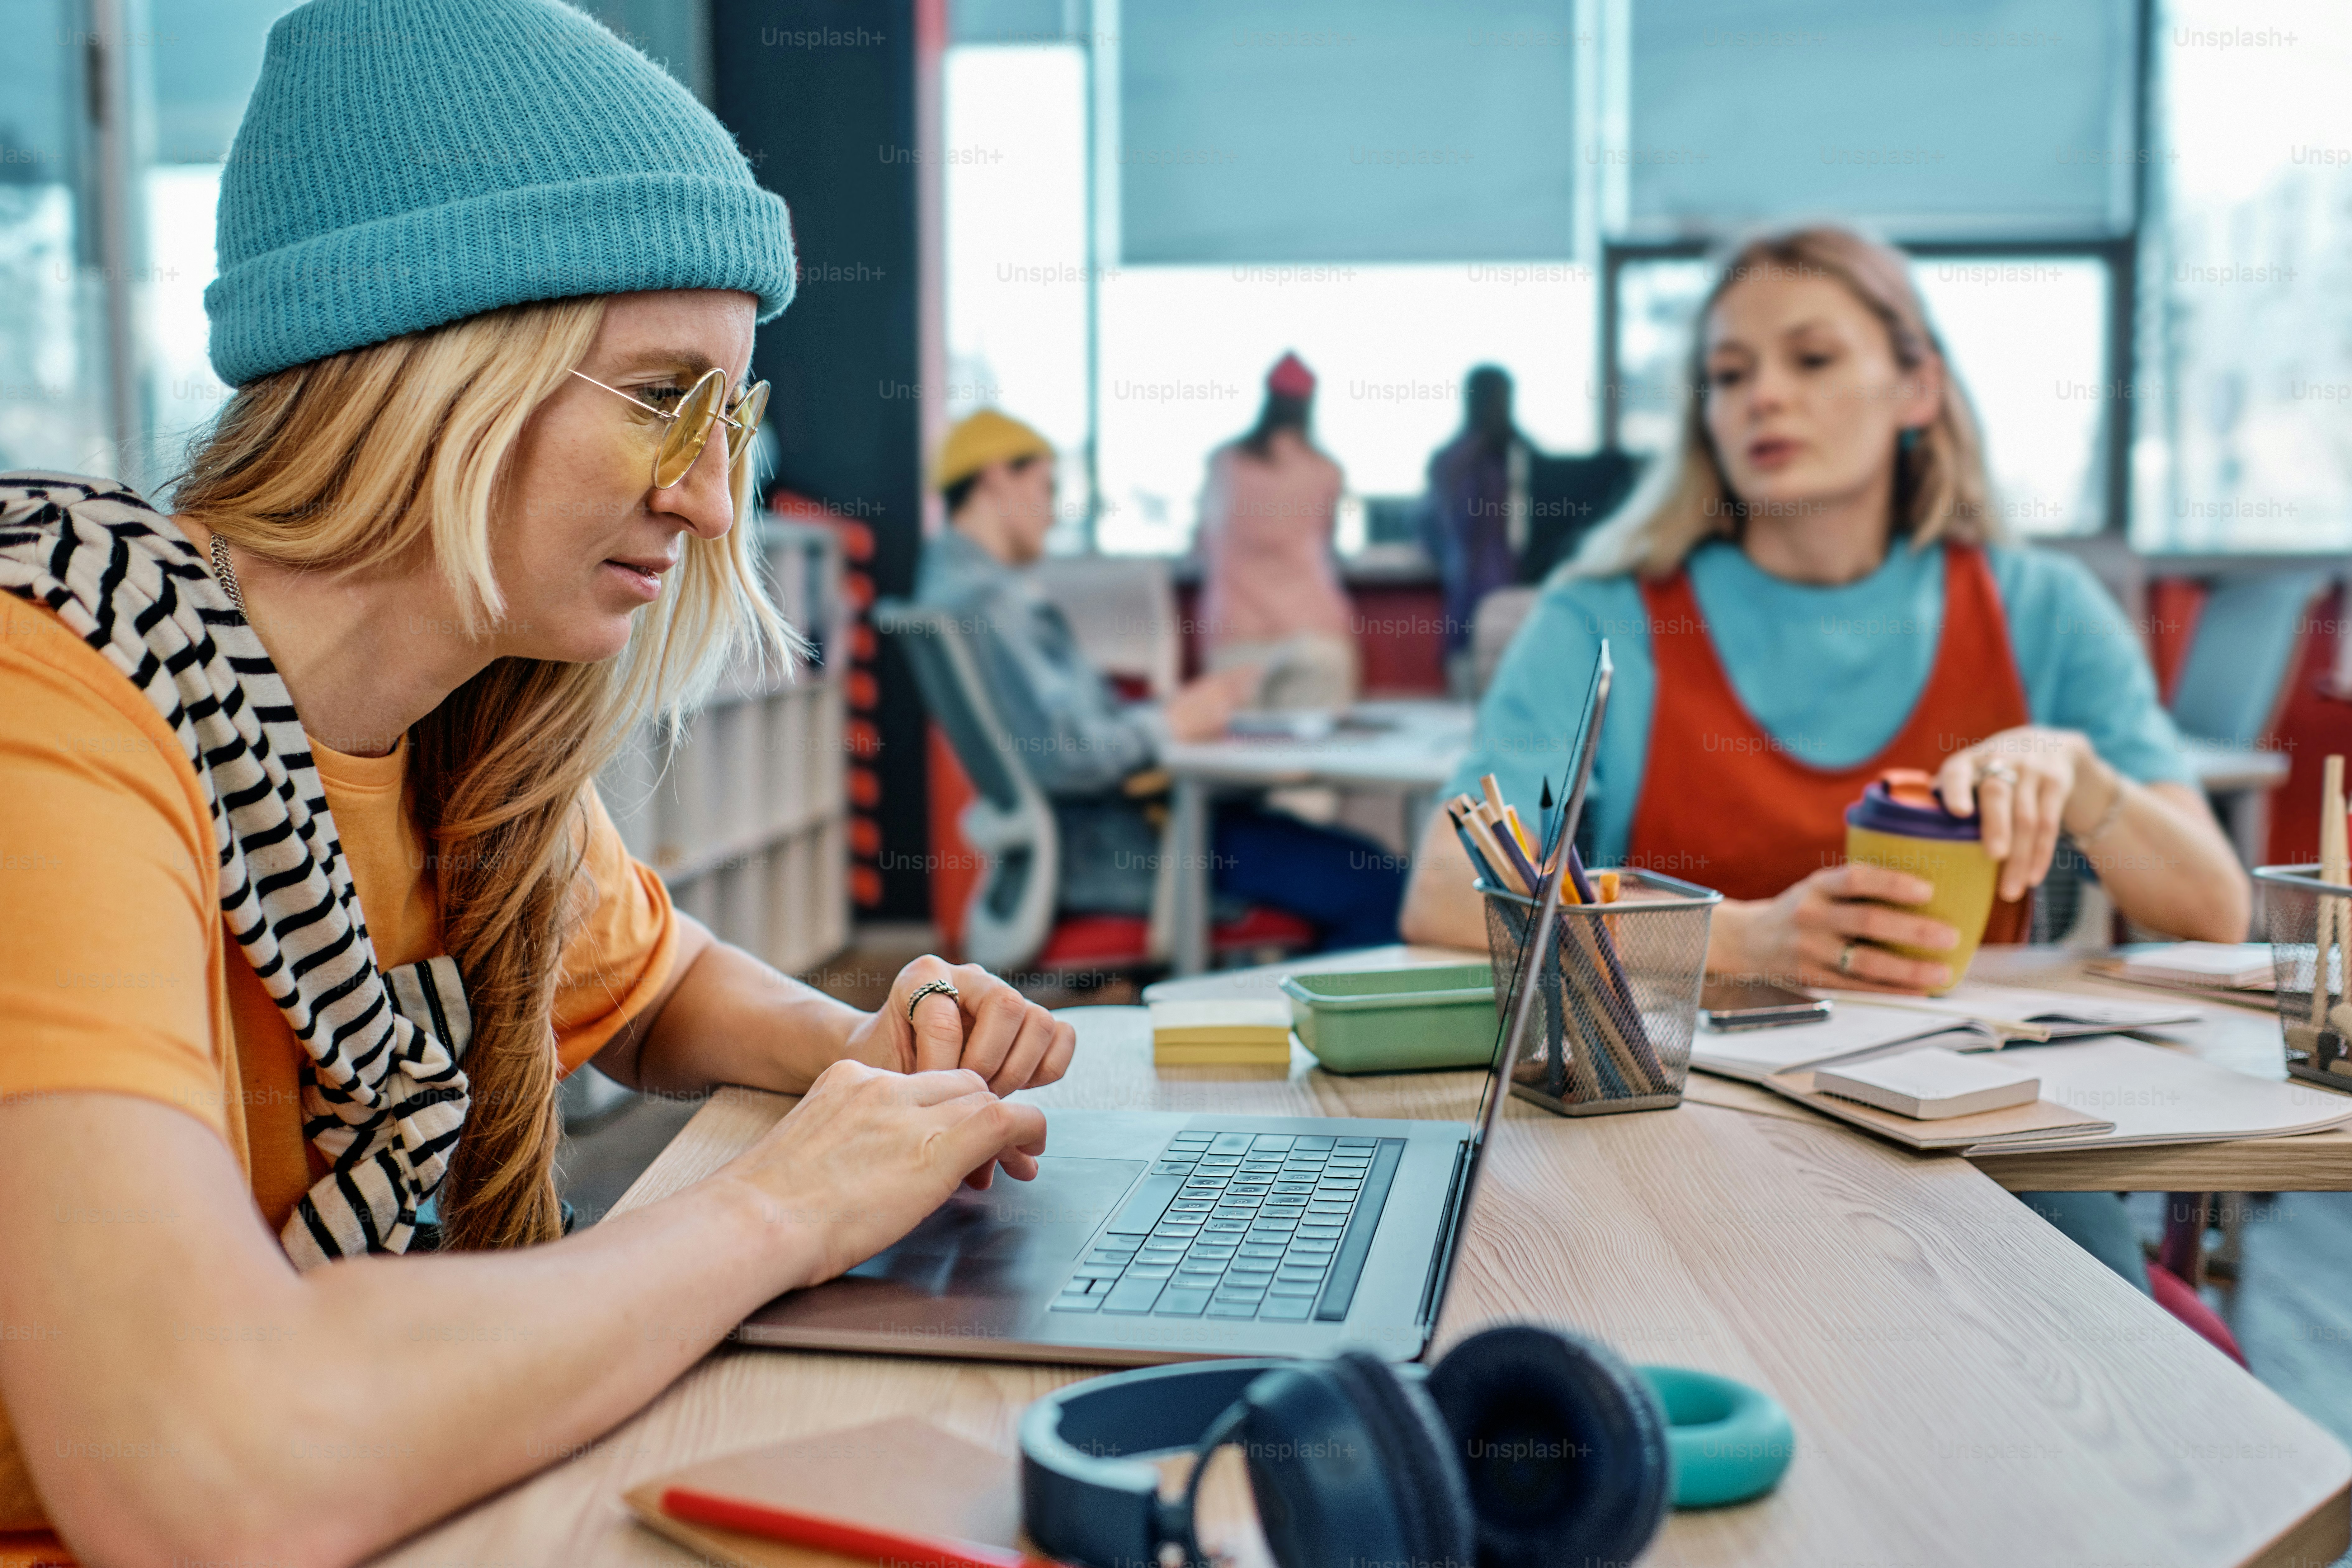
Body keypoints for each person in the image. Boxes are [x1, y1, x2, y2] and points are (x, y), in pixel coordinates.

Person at [0, 3, 1071, 1559]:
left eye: (729, 416)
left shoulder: (466, 734)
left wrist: (868, 1056)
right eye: (656, 396)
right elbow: (203, 1468)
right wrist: (788, 1202)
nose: (711, 500)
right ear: (429, 368)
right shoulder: (50, 702)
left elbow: (649, 983)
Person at [1399, 225, 2247, 1297]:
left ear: (1915, 388)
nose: (1761, 397)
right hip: (1676, 1126)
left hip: (1965, 1141)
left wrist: (2084, 777)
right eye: (1726, 373)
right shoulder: (1599, 615)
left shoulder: (2041, 608)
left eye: (1810, 359)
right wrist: (1742, 938)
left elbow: (2215, 910)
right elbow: (1442, 887)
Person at [917, 409, 1403, 950]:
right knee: (1384, 886)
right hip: (1136, 848)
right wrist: (1170, 722)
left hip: (1117, 837)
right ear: (995, 477)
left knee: (1351, 864)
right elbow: (1065, 755)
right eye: (1047, 487)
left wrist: (1172, 713)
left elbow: (1066, 735)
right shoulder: (990, 603)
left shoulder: (955, 590)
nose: (1053, 513)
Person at [1194, 352, 1356, 711]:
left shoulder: (1224, 463)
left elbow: (1203, 540)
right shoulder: (1326, 471)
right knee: (1321, 759)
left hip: (1236, 634)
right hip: (1314, 635)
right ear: (1309, 404)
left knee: (1239, 762)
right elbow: (1328, 543)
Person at [1421, 366, 1532, 666]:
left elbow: (1431, 528)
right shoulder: (1464, 459)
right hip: (1490, 594)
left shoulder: (1516, 455)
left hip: (1489, 595)